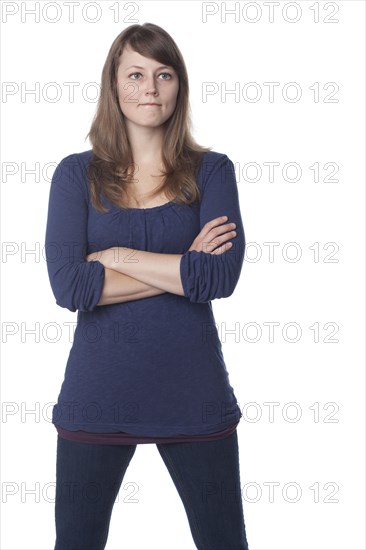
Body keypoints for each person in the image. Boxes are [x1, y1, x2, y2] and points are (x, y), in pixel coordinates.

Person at [45, 22, 249, 550]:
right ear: (114, 86)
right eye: (135, 74)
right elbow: (69, 287)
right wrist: (182, 269)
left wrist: (116, 257)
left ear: (179, 85)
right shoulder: (76, 176)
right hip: (98, 394)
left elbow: (218, 277)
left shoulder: (213, 171)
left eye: (164, 74)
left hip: (194, 393)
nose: (150, 88)